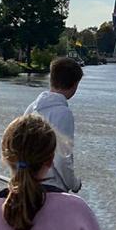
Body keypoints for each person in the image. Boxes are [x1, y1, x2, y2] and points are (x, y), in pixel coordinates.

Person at [24, 56, 83, 192]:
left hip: (29, 182)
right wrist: (74, 184)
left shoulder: (32, 108)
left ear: (51, 79)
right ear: (75, 85)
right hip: (51, 187)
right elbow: (62, 158)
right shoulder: (63, 113)